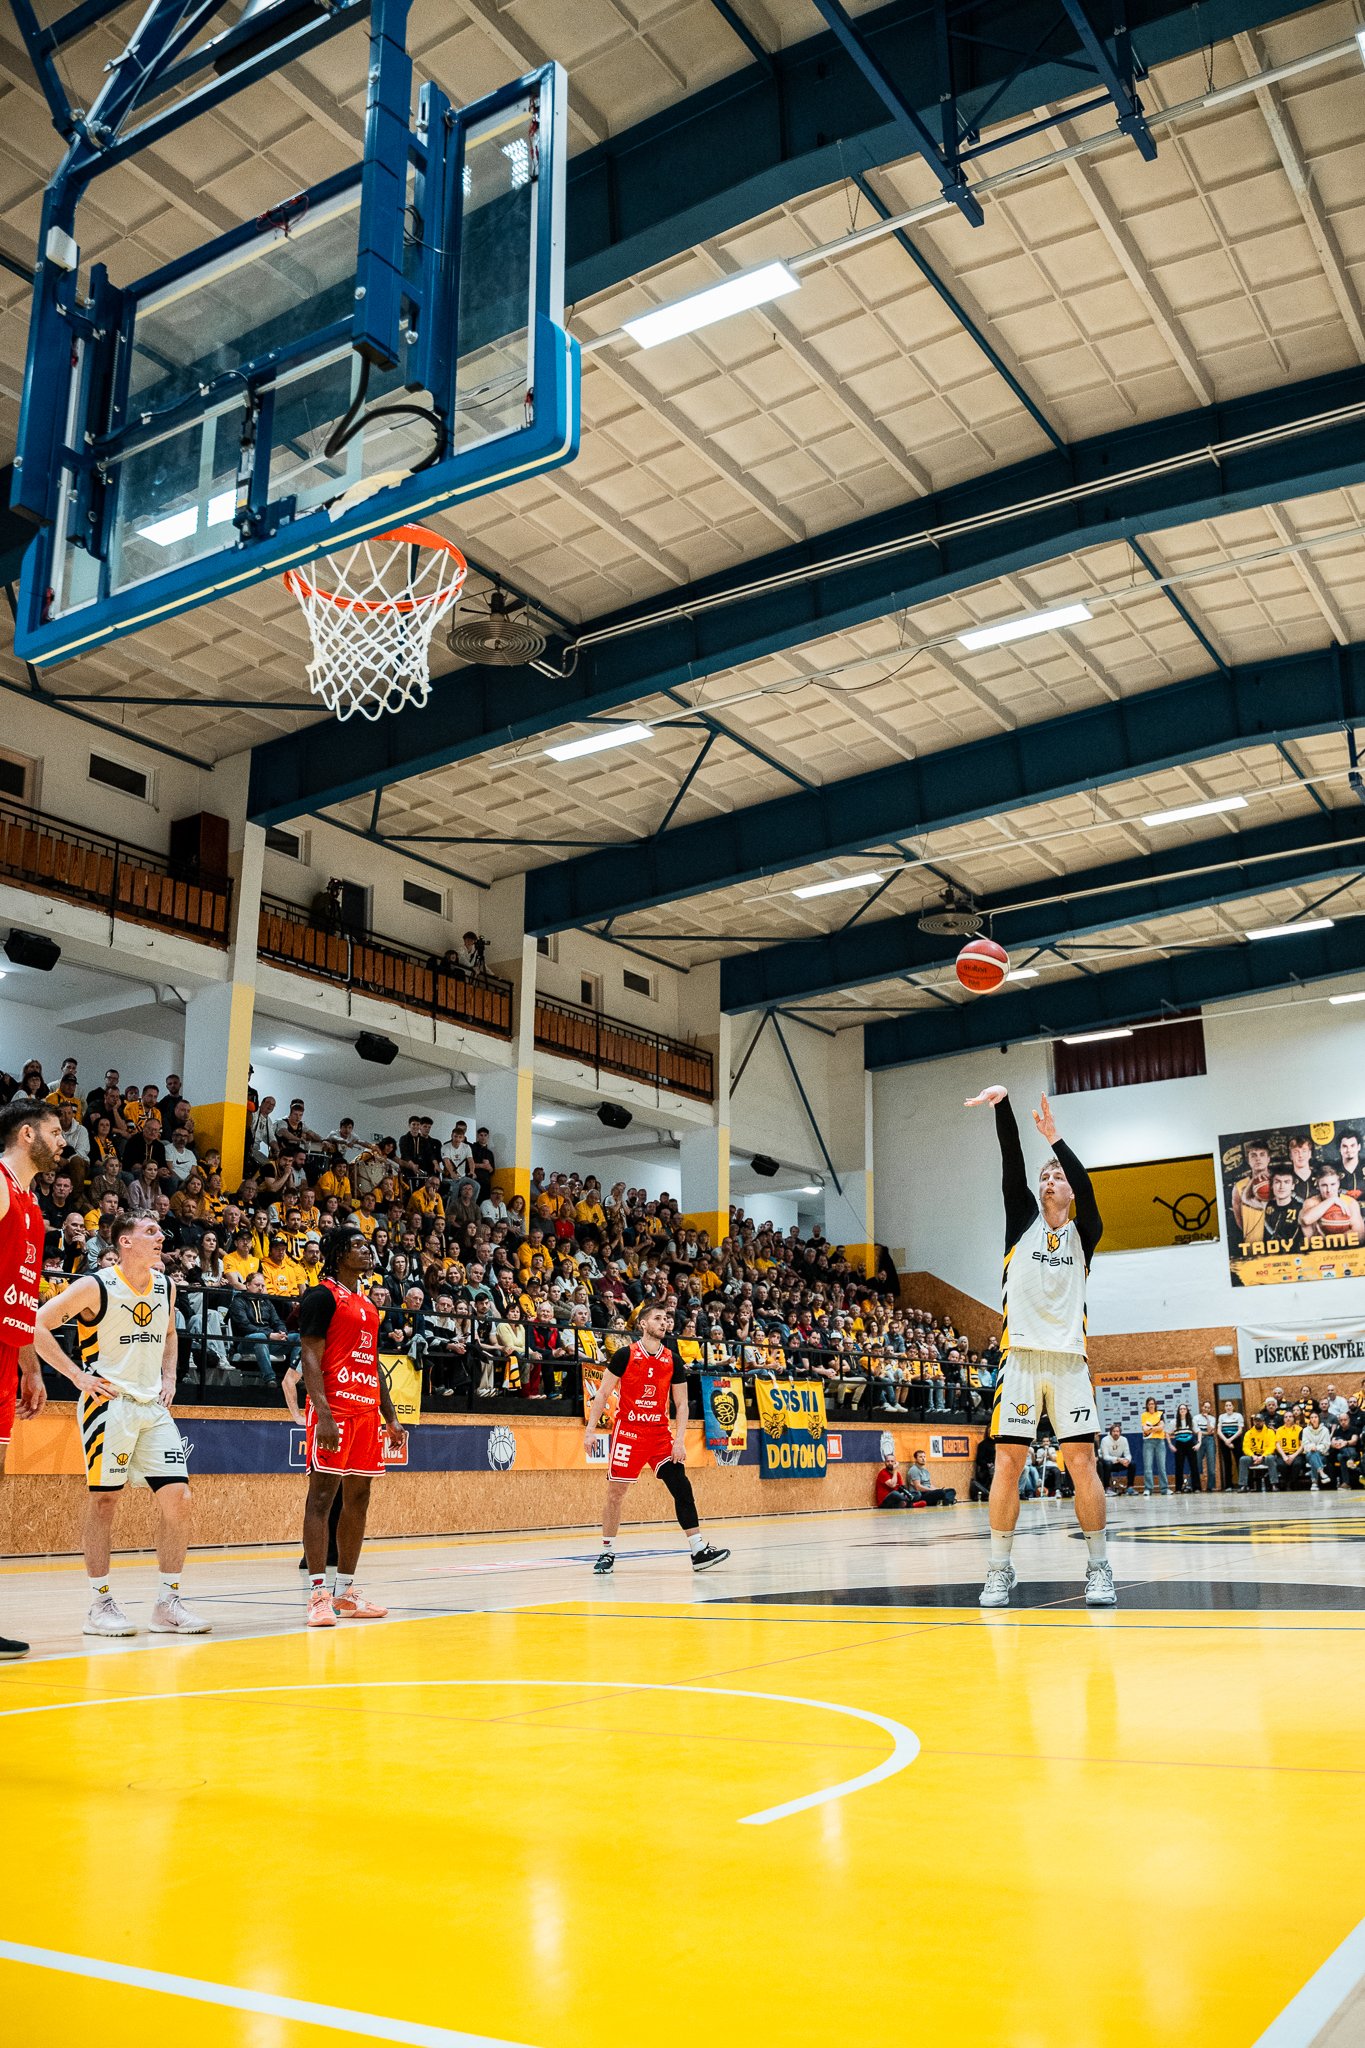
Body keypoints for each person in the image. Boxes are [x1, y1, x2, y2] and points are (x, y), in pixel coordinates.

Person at [964, 1085, 1115, 1607]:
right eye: (1045, 1176)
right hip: (1021, 1358)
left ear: (1070, 1191)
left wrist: (1056, 1140)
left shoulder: (1085, 1234)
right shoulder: (1022, 1223)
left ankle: (1099, 1567)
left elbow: (1088, 1188)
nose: (1050, 1180)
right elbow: (1012, 1163)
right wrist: (1003, 1105)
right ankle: (998, 1569)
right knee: (1008, 1462)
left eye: (1058, 1177)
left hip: (1070, 1361)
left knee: (1081, 1463)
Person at [32, 1212, 207, 1637]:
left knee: (179, 1498)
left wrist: (170, 1377)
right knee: (105, 1502)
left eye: (160, 1231)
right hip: (108, 1406)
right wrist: (76, 1376)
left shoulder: (165, 1286)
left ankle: (167, 1603)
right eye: (150, 1231)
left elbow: (170, 1334)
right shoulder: (96, 1285)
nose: (160, 1236)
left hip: (152, 1406)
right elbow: (36, 1322)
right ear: (125, 1242)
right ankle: (100, 1604)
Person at [297, 1226, 407, 1627]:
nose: (366, 1250)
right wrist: (323, 1412)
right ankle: (317, 1595)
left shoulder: (368, 1305)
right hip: (334, 1409)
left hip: (365, 1413)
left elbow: (372, 1364)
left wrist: (390, 1416)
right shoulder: (321, 1296)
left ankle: (345, 1592)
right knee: (322, 1497)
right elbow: (310, 1356)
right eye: (357, 1245)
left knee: (359, 1497)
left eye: (367, 1245)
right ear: (339, 1252)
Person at [581, 1301, 729, 1576]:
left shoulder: (673, 1359)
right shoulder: (625, 1355)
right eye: (658, 1318)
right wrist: (590, 1431)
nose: (664, 1323)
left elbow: (681, 1404)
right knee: (615, 1494)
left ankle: (698, 1550)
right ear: (643, 1324)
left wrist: (679, 1440)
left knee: (681, 1486)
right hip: (629, 1434)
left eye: (666, 1319)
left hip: (660, 1435)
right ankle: (607, 1552)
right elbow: (602, 1394)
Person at [0, 1098, 64, 1657]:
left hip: (8, 1353)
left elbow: (18, 1297)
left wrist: (30, 1364)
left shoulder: (31, 1203)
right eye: (55, 1131)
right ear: (27, 1134)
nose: (63, 1141)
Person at [1238, 1412, 1278, 1491]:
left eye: (1259, 1421)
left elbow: (1272, 1447)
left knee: (1271, 1458)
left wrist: (1262, 1456)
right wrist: (1253, 1456)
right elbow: (1246, 1447)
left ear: (1263, 1422)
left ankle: (1274, 1484)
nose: (1258, 1422)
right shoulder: (1248, 1433)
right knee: (1243, 1459)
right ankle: (1243, 1485)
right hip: (1253, 1457)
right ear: (1254, 1422)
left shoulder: (1270, 1432)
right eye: (1256, 1421)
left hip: (1265, 1456)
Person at [1140, 1397, 1169, 1496]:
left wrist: (1151, 1428)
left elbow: (1162, 1427)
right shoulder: (1144, 1415)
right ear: (1147, 1405)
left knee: (1162, 1467)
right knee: (1148, 1467)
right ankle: (1148, 1489)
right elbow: (1145, 1429)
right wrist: (1156, 1427)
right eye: (1149, 1404)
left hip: (1160, 1442)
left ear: (1155, 1405)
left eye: (1153, 1404)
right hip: (1148, 1442)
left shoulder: (1160, 1414)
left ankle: (1164, 1489)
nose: (1151, 1406)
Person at [1170, 1403, 1200, 1493]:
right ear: (1178, 1411)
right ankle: (1178, 1488)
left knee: (1194, 1466)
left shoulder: (1191, 1421)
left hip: (1190, 1444)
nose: (1182, 1410)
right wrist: (1170, 1444)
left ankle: (1196, 1487)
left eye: (1184, 1409)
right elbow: (1167, 1433)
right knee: (1179, 1466)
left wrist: (1199, 1443)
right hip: (1179, 1445)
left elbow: (1199, 1432)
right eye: (1181, 1409)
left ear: (1187, 1411)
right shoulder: (1174, 1422)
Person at [1216, 1399, 1244, 1491]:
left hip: (1235, 1439)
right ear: (1224, 1408)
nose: (1228, 1407)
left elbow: (1240, 1430)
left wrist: (1230, 1440)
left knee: (1239, 1461)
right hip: (1224, 1440)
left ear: (1233, 1407)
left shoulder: (1238, 1416)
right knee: (1227, 1462)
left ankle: (1242, 1484)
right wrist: (1226, 1441)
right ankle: (1228, 1485)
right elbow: (1219, 1431)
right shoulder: (1221, 1417)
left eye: (1230, 1405)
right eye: (1226, 1406)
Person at [1302, 1409, 1333, 1490]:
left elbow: (1326, 1445)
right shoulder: (1305, 1430)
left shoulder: (1325, 1430)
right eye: (1311, 1417)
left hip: (1322, 1455)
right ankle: (1322, 1473)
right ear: (1310, 1419)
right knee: (1312, 1455)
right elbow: (1305, 1444)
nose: (1313, 1419)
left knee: (1313, 1457)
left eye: (1315, 1417)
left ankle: (1314, 1483)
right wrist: (1311, 1447)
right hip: (1309, 1453)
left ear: (1319, 1418)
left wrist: (1316, 1448)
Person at [1098, 1423, 1132, 1494]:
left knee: (1132, 1464)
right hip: (1107, 1463)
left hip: (1119, 1462)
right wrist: (1118, 1459)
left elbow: (1128, 1454)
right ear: (1110, 1432)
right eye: (1114, 1431)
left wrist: (1127, 1460)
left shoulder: (1124, 1440)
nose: (1116, 1433)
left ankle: (1130, 1488)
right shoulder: (1105, 1440)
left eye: (1117, 1431)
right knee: (1107, 1464)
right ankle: (1107, 1488)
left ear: (1120, 1432)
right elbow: (1105, 1456)